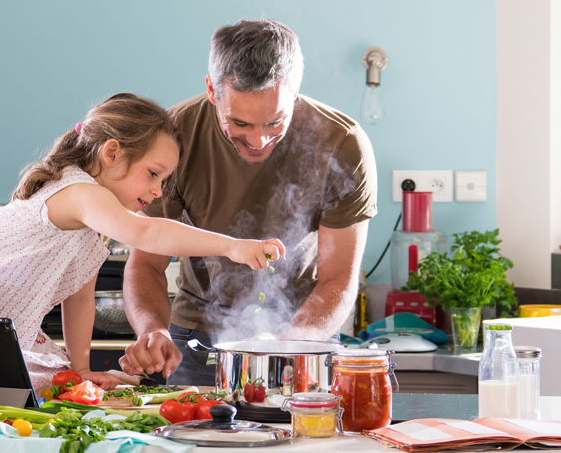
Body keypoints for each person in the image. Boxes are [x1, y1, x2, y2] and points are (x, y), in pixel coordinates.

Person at [0, 93, 284, 392]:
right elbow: (146, 233)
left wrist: (81, 367)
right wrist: (233, 246)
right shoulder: (81, 192)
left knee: (49, 381)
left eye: (165, 180)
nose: (158, 191)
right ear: (112, 153)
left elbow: (78, 300)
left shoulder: (92, 226)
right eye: (153, 174)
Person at [120, 19, 378, 386]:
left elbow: (338, 279)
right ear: (212, 90)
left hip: (302, 334)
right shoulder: (174, 136)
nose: (258, 140)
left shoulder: (342, 144)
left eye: (275, 122)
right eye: (239, 123)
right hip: (196, 339)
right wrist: (151, 330)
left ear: (295, 91)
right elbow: (146, 262)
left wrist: (288, 345)